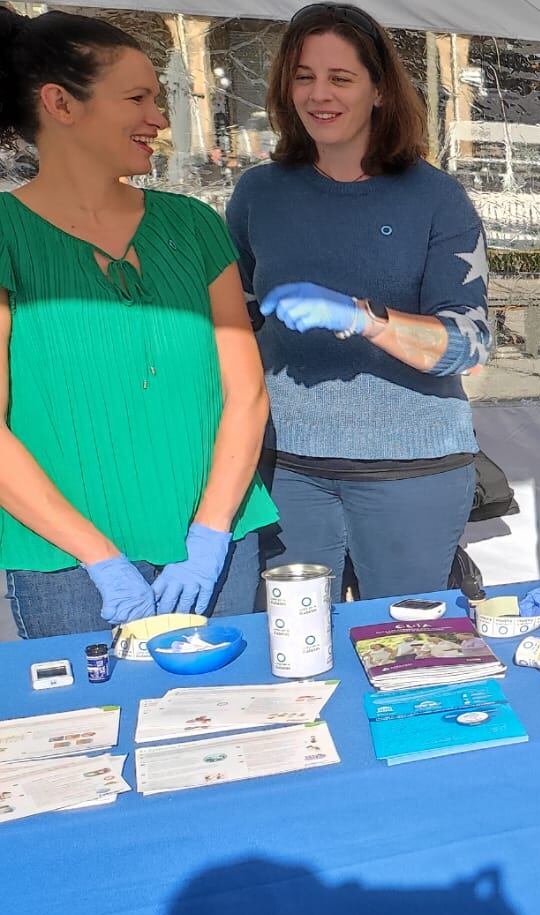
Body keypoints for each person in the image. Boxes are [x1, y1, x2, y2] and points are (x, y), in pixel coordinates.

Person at [0, 10, 275, 638]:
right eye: (137, 98)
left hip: (215, 544)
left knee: (234, 725)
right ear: (60, 104)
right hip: (66, 567)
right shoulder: (5, 232)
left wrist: (210, 532)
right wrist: (97, 556)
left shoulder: (194, 224)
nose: (159, 117)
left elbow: (247, 393)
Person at [229, 3, 490, 601]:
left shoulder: (437, 198)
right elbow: (233, 323)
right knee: (293, 648)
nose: (319, 94)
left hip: (412, 471)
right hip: (286, 469)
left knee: (406, 648)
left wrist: (362, 318)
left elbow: (469, 343)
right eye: (304, 76)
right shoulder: (258, 193)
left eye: (340, 78)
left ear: (378, 90)